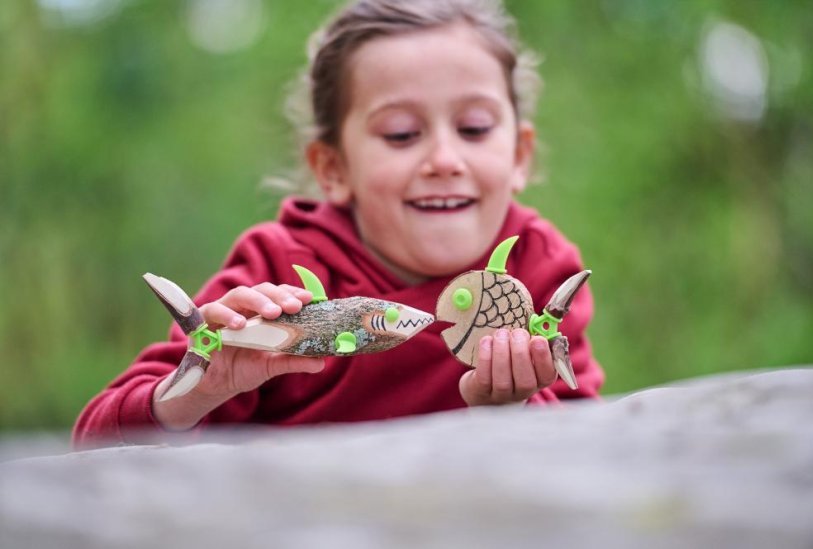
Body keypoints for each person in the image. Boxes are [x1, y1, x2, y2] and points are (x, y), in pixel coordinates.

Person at [73, 0, 604, 449]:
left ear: (518, 154)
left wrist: (514, 407)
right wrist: (206, 386)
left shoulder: (542, 270)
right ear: (333, 168)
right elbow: (92, 440)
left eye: (474, 127)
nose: (445, 158)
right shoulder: (273, 270)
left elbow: (591, 442)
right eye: (400, 134)